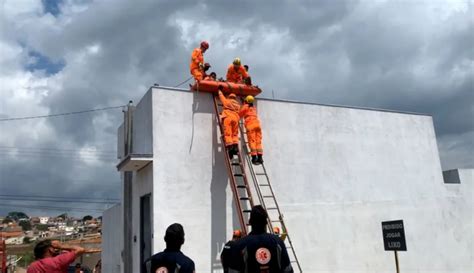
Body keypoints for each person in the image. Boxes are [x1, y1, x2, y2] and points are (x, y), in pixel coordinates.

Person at [229, 205, 293, 273]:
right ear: (266, 222)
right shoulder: (278, 242)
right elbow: (288, 270)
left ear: (250, 222)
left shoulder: (240, 245)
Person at [218, 86, 241, 159]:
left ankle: (230, 149)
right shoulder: (238, 105)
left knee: (228, 133)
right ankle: (235, 148)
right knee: (234, 134)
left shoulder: (227, 101)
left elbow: (221, 97)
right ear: (235, 98)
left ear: (229, 97)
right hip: (236, 118)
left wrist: (219, 90)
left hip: (228, 117)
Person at [239, 95, 263, 165]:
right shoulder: (253, 108)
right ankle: (260, 157)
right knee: (258, 141)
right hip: (257, 125)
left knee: (252, 141)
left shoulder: (245, 107)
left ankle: (254, 158)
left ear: (246, 101)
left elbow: (240, 114)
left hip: (250, 125)